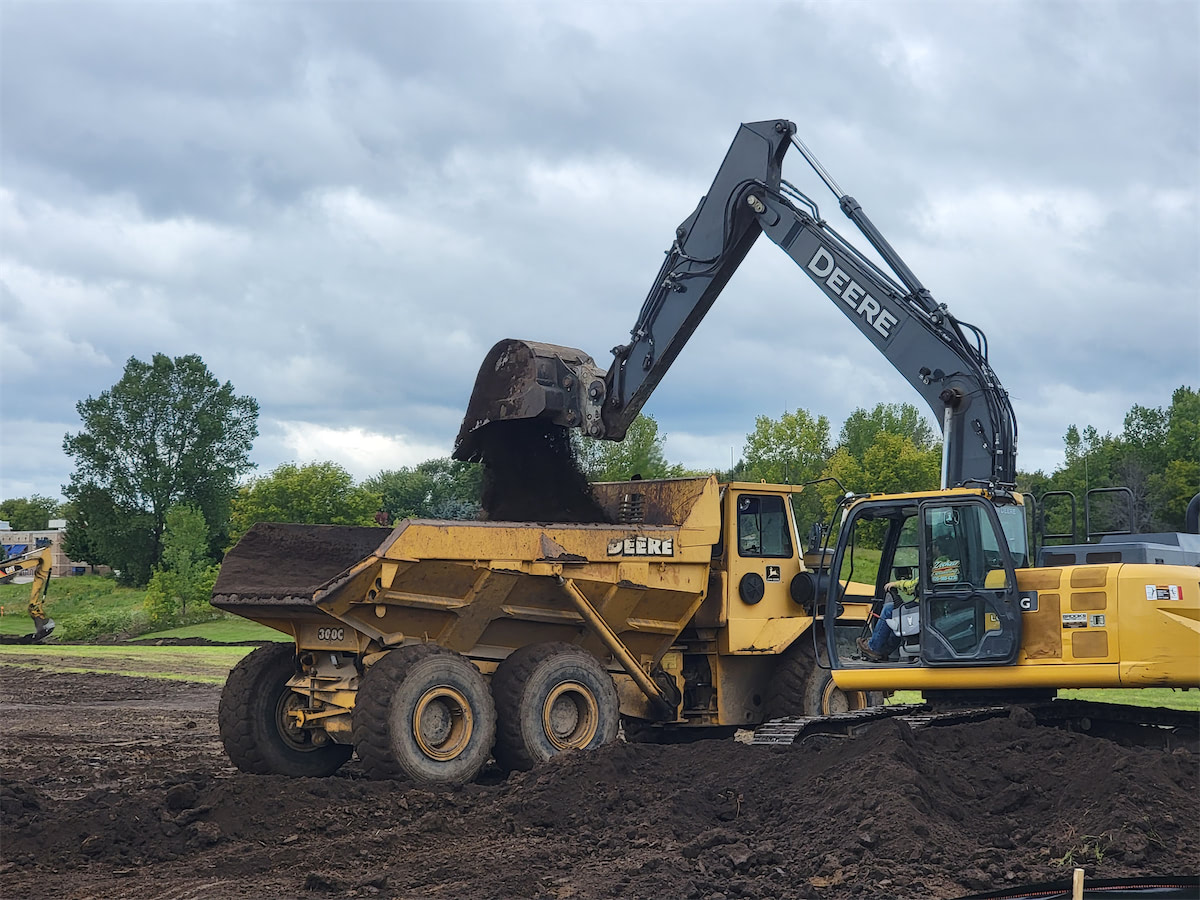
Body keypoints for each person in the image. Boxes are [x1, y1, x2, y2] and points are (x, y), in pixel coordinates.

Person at [856, 538, 959, 662]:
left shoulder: (940, 565)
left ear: (938, 548)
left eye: (934, 546)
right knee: (899, 613)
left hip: (930, 609)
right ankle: (884, 649)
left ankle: (874, 647)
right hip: (937, 607)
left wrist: (897, 584)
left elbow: (915, 586)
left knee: (890, 610)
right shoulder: (953, 564)